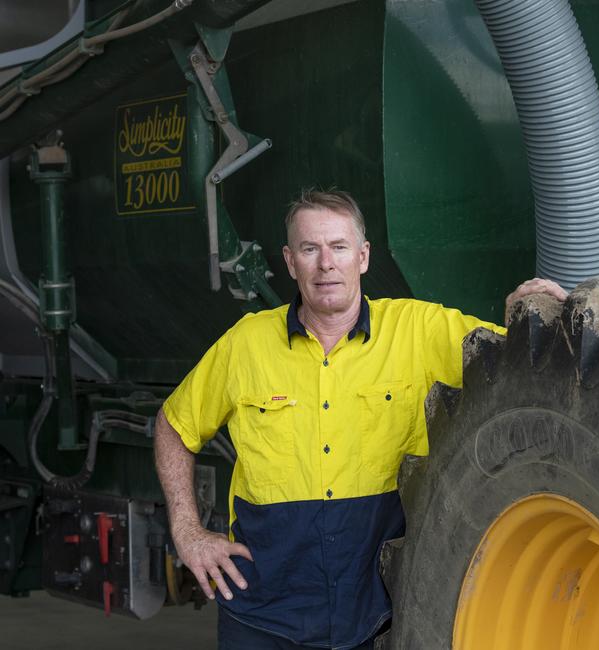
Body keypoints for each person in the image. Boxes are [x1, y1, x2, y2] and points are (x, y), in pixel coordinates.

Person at [154, 189, 567, 649]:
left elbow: (512, 360)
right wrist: (187, 532)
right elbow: (174, 425)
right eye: (310, 249)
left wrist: (522, 311)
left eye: (339, 247)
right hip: (263, 615)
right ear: (291, 262)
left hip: (376, 617)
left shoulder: (418, 330)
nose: (325, 263)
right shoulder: (245, 345)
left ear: (363, 257)